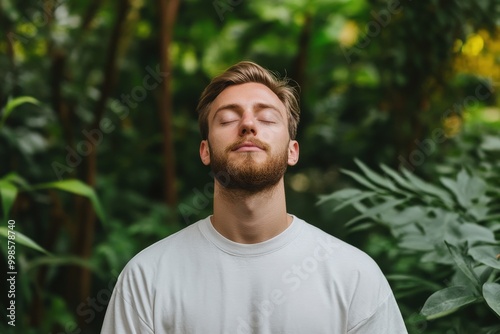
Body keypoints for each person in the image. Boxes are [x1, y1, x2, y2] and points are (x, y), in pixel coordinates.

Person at [101, 61, 408, 333]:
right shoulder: (147, 279)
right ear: (205, 151)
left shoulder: (354, 277)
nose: (248, 125)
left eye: (267, 118)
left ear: (292, 151)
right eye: (227, 119)